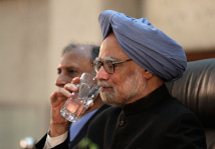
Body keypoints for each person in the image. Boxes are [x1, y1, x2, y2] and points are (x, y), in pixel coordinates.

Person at [39, 10, 207, 149]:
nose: (100, 76)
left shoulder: (178, 124)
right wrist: (59, 126)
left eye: (112, 64)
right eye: (100, 65)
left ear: (147, 69)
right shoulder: (103, 121)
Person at [35, 44, 109, 149]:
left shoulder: (113, 125)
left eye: (71, 71)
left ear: (98, 77)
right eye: (59, 72)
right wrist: (58, 126)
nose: (58, 81)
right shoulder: (63, 124)